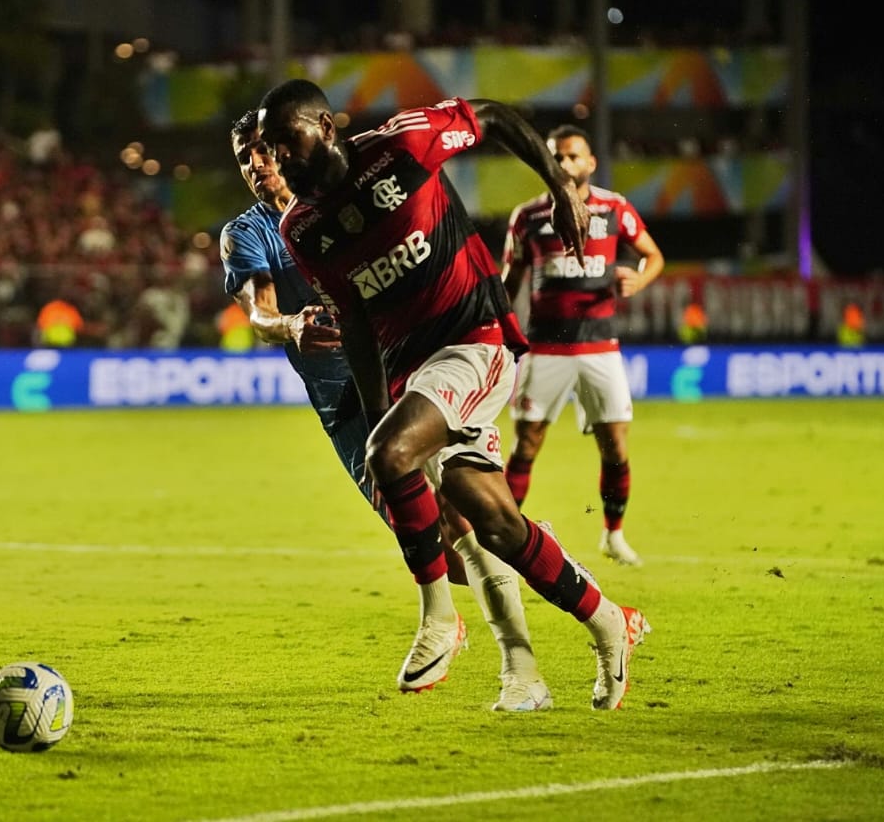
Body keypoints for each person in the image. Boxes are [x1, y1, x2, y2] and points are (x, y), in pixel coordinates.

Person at [258, 80, 649, 709]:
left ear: (325, 127)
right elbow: (356, 323)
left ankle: (439, 616)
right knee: (487, 519)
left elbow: (492, 115)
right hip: (416, 374)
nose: (281, 161)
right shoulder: (302, 228)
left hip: (476, 340)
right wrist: (381, 405)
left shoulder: (402, 147)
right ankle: (606, 623)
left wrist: (557, 189)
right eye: (271, 152)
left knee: (390, 458)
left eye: (288, 142)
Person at [221, 110, 550, 710]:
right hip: (345, 406)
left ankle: (519, 668)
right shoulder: (250, 233)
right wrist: (290, 324)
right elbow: (257, 311)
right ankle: (534, 567)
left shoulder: (351, 195)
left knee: (467, 524)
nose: (257, 165)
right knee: (443, 545)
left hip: (414, 371)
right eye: (244, 158)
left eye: (262, 151)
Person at [501, 124, 665, 567]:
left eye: (574, 156)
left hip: (600, 347)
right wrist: (501, 335)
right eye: (557, 157)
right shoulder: (527, 217)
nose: (566, 164)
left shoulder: (615, 208)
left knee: (615, 444)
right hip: (545, 349)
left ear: (591, 163)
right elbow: (507, 284)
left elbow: (653, 255)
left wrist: (638, 278)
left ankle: (613, 534)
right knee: (526, 443)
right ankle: (503, 536)